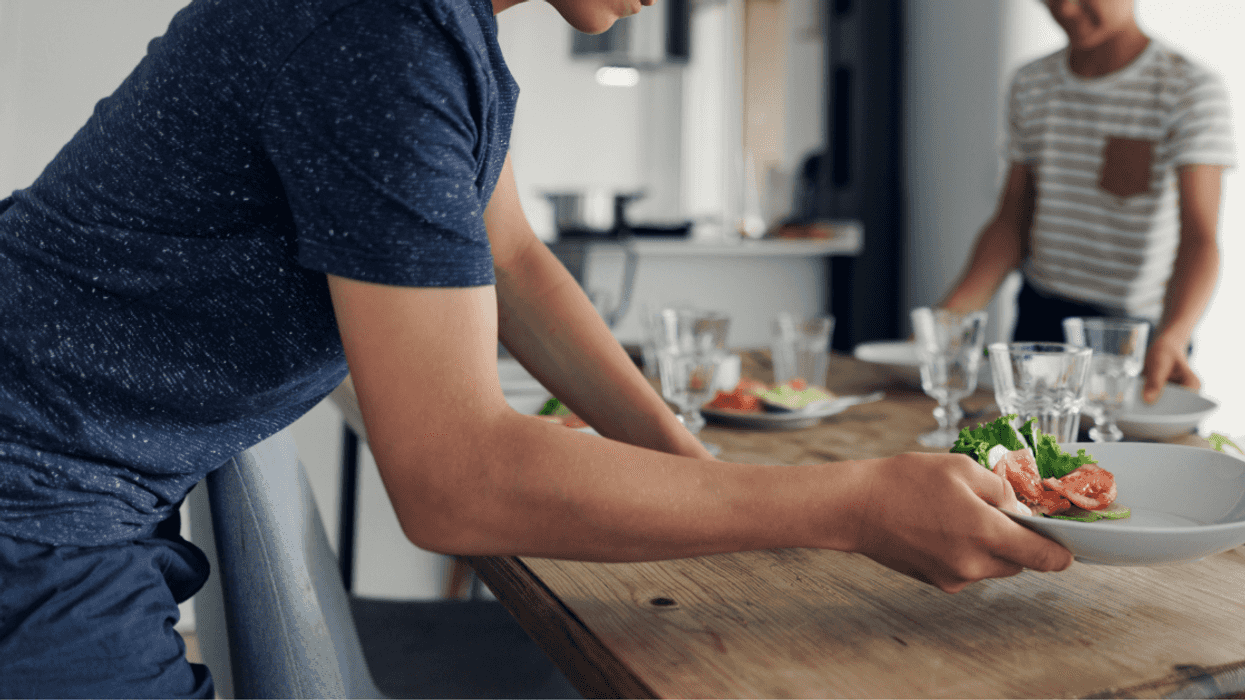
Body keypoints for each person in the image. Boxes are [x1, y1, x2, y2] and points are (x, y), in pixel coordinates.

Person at [0, 0, 1072, 696]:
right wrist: (845, 503)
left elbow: (513, 263)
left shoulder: (445, 36)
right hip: (35, 492)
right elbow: (457, 482)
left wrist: (695, 476)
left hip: (85, 474)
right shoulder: (381, 36)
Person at [940, 0, 1235, 405]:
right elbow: (1012, 221)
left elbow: (1199, 238)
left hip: (1135, 339)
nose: (1065, 8)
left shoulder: (1188, 88)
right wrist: (949, 320)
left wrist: (1175, 335)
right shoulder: (1032, 83)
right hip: (1039, 322)